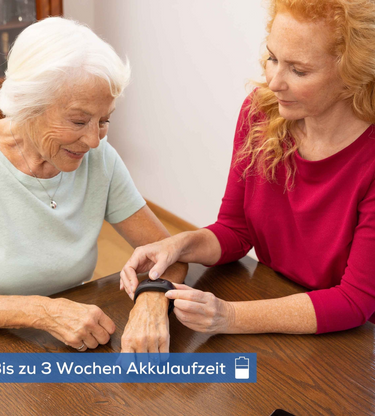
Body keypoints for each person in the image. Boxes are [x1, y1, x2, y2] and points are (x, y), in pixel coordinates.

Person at [120, 0, 375, 339]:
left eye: (298, 70)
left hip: (350, 339)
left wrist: (229, 316)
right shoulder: (261, 113)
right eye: (272, 58)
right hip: (277, 300)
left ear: (353, 76)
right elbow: (236, 229)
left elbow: (354, 301)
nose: (274, 81)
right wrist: (180, 245)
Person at [0, 17, 187, 351]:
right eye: (79, 121)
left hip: (67, 341)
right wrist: (41, 312)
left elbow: (171, 254)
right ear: (27, 104)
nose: (94, 140)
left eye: (104, 120)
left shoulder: (98, 158)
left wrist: (152, 298)